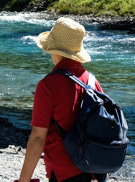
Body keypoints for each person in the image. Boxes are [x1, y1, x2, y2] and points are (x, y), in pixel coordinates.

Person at [16, 17, 107, 182]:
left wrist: (23, 180)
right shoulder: (93, 82)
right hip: (95, 170)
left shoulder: (48, 85)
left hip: (64, 172)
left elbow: (38, 138)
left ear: (54, 50)